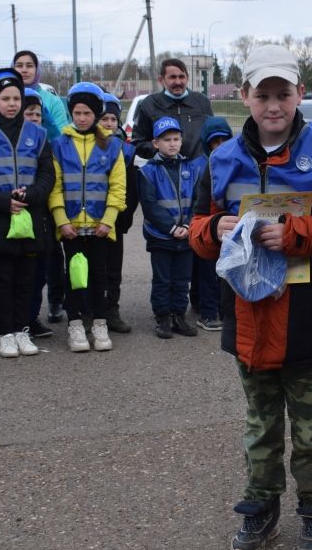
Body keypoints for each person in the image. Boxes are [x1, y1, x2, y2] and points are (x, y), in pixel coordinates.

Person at [189, 44, 312, 550]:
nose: (272, 105)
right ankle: (261, 504)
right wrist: (213, 229)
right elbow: (197, 229)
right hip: (246, 316)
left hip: (306, 317)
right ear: (244, 95)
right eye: (261, 94)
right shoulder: (221, 159)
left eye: (282, 94)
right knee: (259, 423)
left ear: (299, 95)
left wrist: (296, 233)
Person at [0, 68, 55, 359]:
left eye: (16, 97)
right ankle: (5, 333)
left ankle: (22, 330)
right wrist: (3, 202)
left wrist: (31, 196)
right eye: (5, 98)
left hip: (30, 218)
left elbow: (47, 175)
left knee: (27, 280)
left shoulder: (38, 134)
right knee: (2, 279)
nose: (12, 103)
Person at [49, 82, 126, 353]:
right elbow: (55, 186)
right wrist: (61, 220)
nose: (82, 118)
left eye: (87, 114)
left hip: (99, 227)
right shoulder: (59, 144)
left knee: (99, 277)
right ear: (71, 113)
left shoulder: (112, 146)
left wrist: (108, 220)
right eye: (77, 113)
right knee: (74, 277)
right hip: (71, 227)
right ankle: (75, 324)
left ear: (96, 115)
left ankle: (100, 322)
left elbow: (118, 187)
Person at [14, 49, 70, 326]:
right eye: (19, 65)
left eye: (29, 65)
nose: (24, 69)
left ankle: (55, 300)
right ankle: (9, 306)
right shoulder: (5, 98)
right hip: (16, 190)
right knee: (14, 248)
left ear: (37, 69)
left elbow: (60, 133)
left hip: (47, 180)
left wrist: (41, 115)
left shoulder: (51, 100)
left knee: (49, 247)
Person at [137, 116, 201, 339]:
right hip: (161, 236)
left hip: (186, 234)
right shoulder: (148, 171)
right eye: (166, 140)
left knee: (182, 279)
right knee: (163, 279)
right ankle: (163, 317)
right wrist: (171, 228)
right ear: (156, 143)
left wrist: (187, 225)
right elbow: (150, 205)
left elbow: (197, 200)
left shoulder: (191, 168)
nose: (172, 144)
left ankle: (179, 316)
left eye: (176, 139)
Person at [98, 92, 138, 334]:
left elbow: (131, 190)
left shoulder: (126, 150)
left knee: (113, 269)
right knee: (93, 269)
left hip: (115, 221)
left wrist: (123, 217)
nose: (109, 124)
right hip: (91, 220)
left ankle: (112, 310)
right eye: (104, 119)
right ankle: (91, 311)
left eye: (113, 119)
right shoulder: (88, 147)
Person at [190, 116, 233, 331]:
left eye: (223, 140)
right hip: (207, 226)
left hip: (228, 227)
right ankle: (207, 312)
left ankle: (224, 310)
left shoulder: (235, 163)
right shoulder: (199, 166)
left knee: (224, 273)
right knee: (206, 272)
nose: (219, 146)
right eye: (214, 142)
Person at [132, 58, 214, 160]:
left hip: (198, 171)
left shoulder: (202, 102)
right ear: (161, 80)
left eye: (181, 77)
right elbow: (137, 143)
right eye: (172, 77)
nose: (178, 82)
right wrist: (162, 150)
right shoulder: (149, 105)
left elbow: (212, 138)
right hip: (163, 172)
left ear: (187, 78)